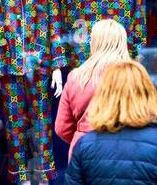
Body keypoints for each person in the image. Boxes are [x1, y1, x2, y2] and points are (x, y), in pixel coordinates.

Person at [55, 18, 130, 154]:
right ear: (122, 43)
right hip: (122, 152)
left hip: (83, 153)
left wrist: (82, 140)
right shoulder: (133, 76)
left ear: (94, 43)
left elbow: (62, 127)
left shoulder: (76, 77)